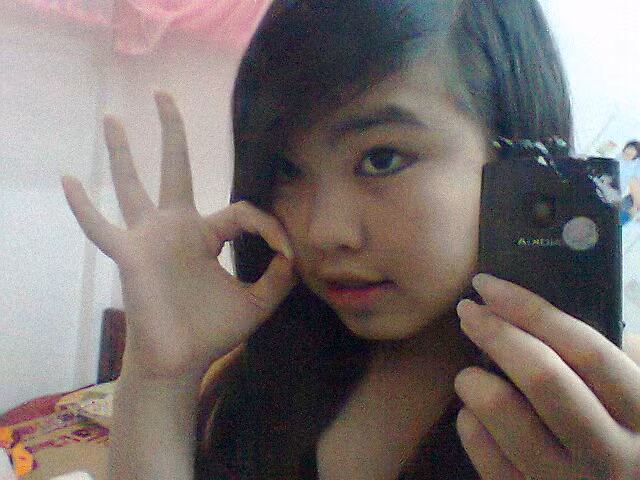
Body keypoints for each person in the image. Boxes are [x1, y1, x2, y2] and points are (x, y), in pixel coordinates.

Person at [61, 0, 640, 478]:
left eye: (381, 159)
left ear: (514, 149)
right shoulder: (260, 376)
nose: (322, 232)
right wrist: (161, 378)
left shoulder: (608, 407)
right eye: (286, 170)